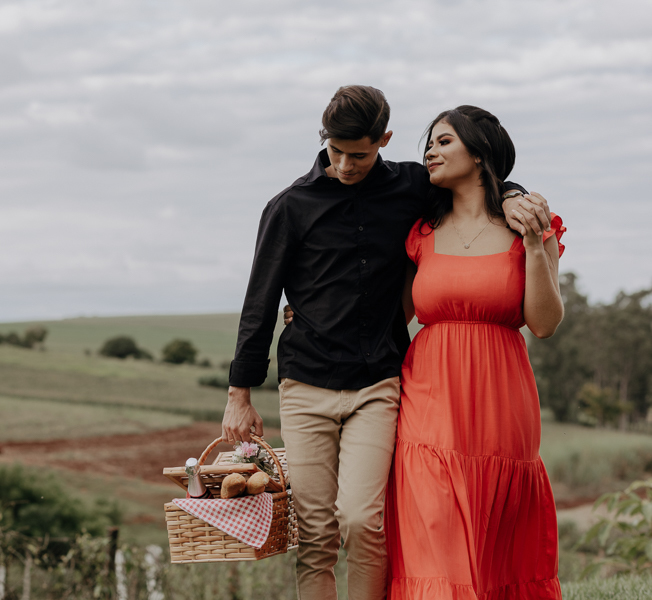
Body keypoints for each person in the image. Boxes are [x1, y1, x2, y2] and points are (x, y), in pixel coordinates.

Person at [221, 85, 550, 600]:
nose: (347, 165)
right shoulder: (289, 206)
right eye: (336, 151)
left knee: (363, 521)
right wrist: (239, 393)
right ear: (324, 139)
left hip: (379, 382)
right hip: (306, 381)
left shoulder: (413, 187)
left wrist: (514, 196)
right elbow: (258, 302)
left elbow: (480, 183)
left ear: (384, 140)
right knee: (316, 532)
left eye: (360, 153)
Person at [384, 106, 564, 599]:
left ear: (479, 152)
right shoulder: (420, 233)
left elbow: (545, 324)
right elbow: (390, 314)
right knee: (434, 525)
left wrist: (531, 245)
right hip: (428, 400)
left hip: (501, 404)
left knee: (497, 540)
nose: (429, 152)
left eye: (444, 141)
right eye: (429, 143)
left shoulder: (531, 223)